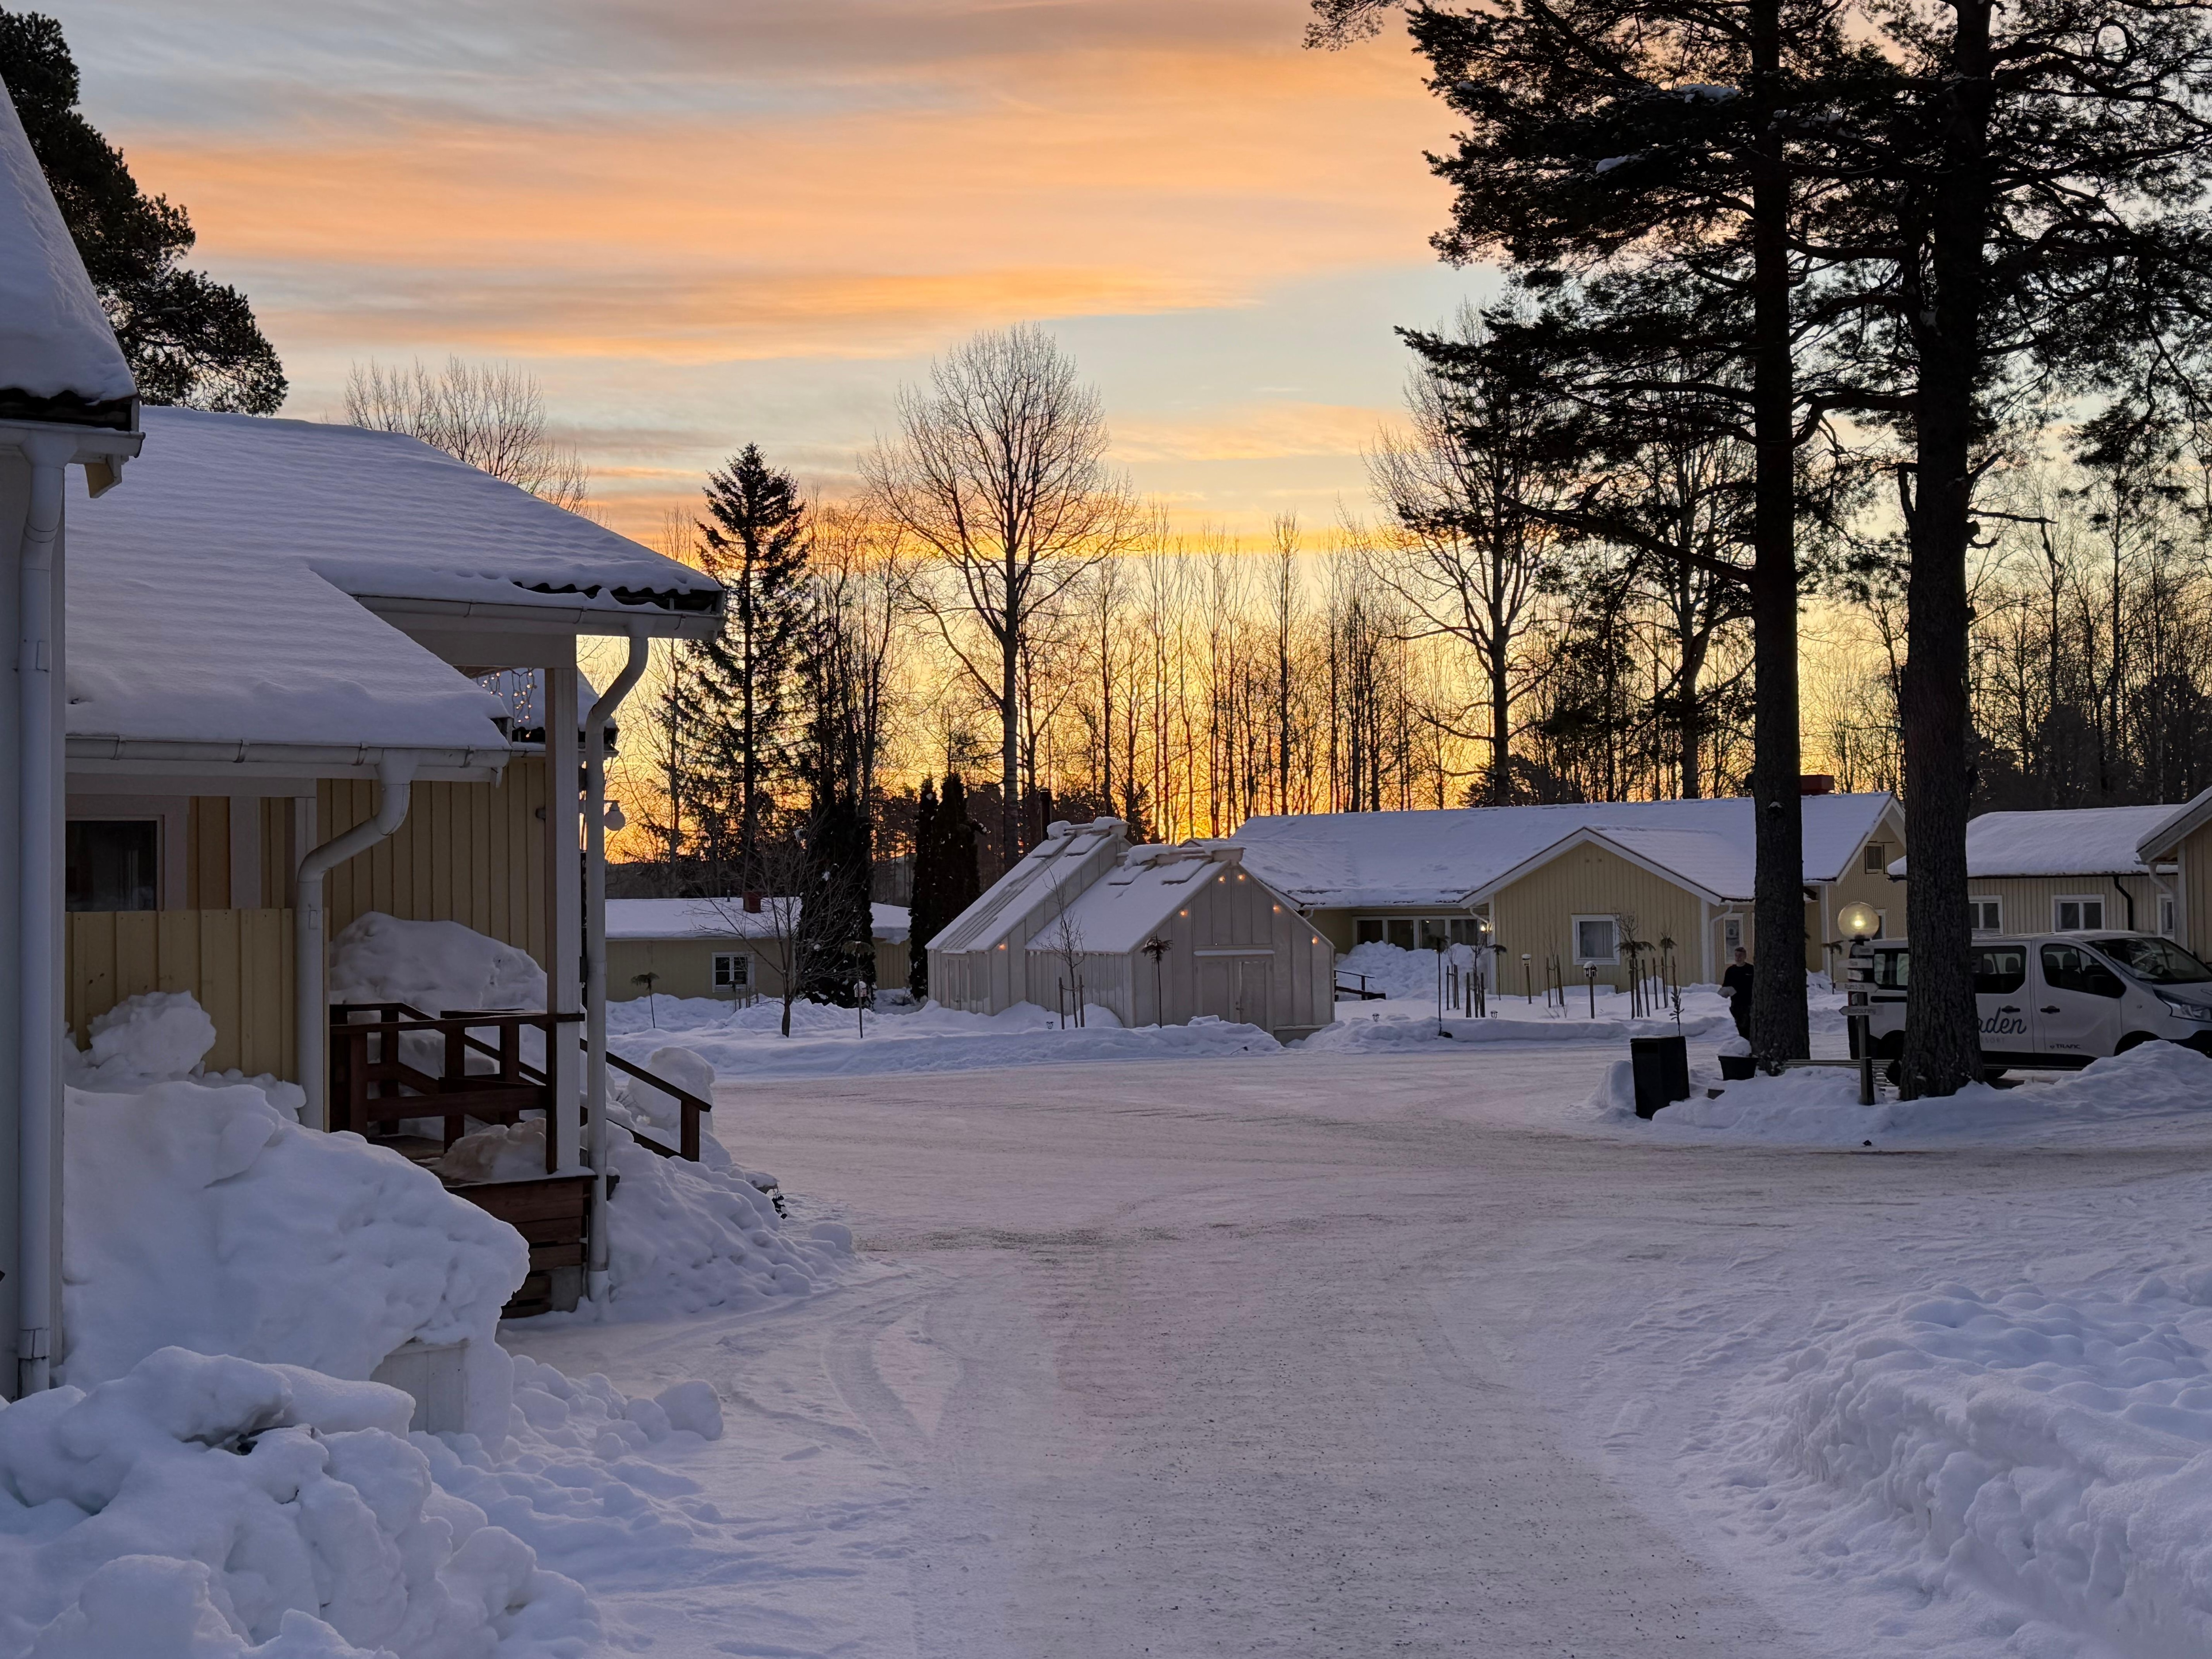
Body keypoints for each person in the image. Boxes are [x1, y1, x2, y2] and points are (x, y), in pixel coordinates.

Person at [1723, 946, 1754, 1040]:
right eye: (1736, 956)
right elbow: (1725, 986)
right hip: (1736, 1004)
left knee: (1748, 1026)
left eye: (1740, 956)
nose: (1738, 958)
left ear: (1745, 956)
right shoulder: (1731, 971)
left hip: (1749, 1002)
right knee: (1740, 1026)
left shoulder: (1751, 969)